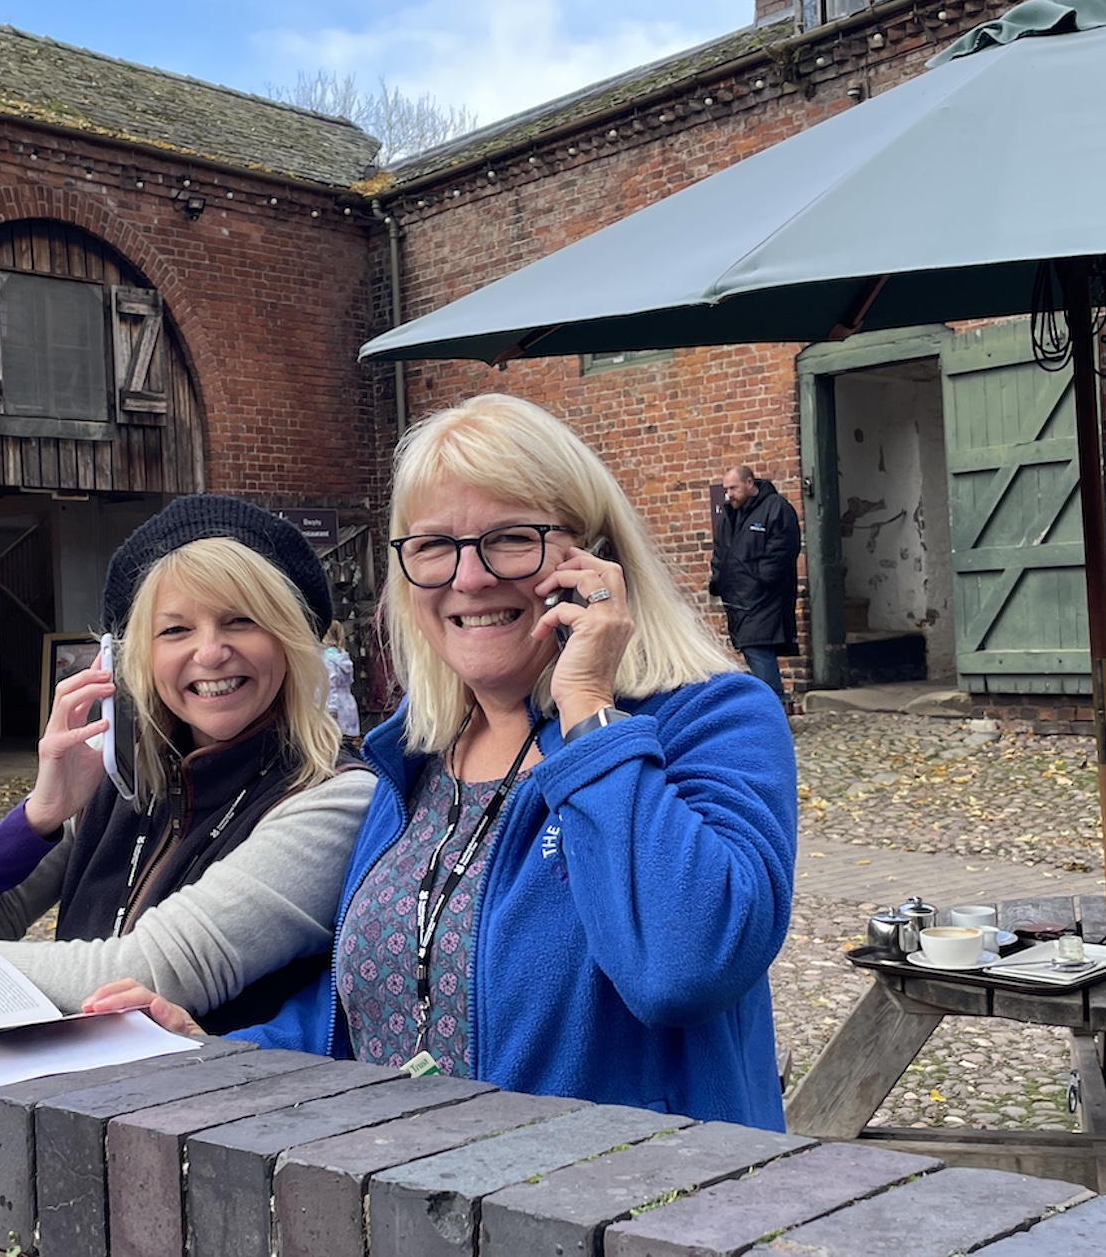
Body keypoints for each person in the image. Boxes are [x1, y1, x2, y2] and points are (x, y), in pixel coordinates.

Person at [90, 396, 797, 1131]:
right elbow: (380, 1006)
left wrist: (590, 709)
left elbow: (684, 967)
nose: (469, 577)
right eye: (433, 546)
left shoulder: (710, 719)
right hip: (423, 1184)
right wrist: (222, 1052)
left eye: (511, 538)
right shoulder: (414, 756)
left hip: (626, 1188)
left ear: (595, 560)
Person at [0, 496, 377, 1033]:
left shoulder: (334, 798)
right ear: (137, 659)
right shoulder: (129, 783)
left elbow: (145, 973)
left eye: (241, 621)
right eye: (175, 630)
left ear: (290, 640)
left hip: (228, 1102)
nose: (209, 652)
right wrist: (38, 817)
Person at [709, 464, 802, 702]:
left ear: (749, 483)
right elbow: (721, 552)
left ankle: (774, 704)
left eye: (733, 488)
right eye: (726, 489)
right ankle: (773, 703)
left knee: (757, 647)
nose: (729, 494)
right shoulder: (730, 516)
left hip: (765, 597)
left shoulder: (775, 508)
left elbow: (783, 548)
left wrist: (762, 577)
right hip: (738, 598)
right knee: (753, 649)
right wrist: (719, 580)